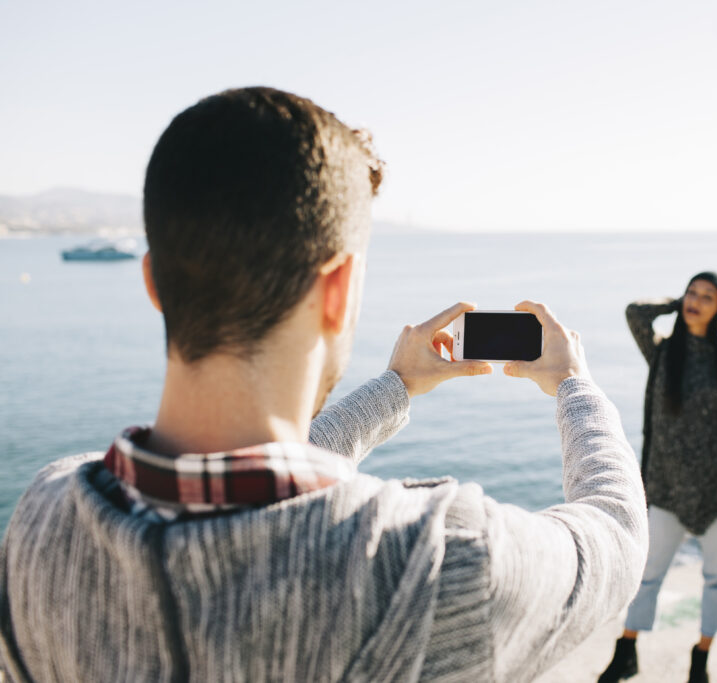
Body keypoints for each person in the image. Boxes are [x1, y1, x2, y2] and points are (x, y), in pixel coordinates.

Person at [0, 87, 648, 682]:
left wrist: (397, 386)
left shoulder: (42, 524)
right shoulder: (437, 564)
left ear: (153, 284)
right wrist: (573, 384)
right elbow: (616, 536)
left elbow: (257, 488)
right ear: (338, 290)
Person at [598, 272, 717, 683]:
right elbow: (635, 314)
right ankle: (626, 650)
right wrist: (674, 305)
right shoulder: (665, 353)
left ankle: (700, 658)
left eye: (708, 297)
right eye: (692, 293)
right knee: (645, 574)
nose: (696, 302)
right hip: (665, 488)